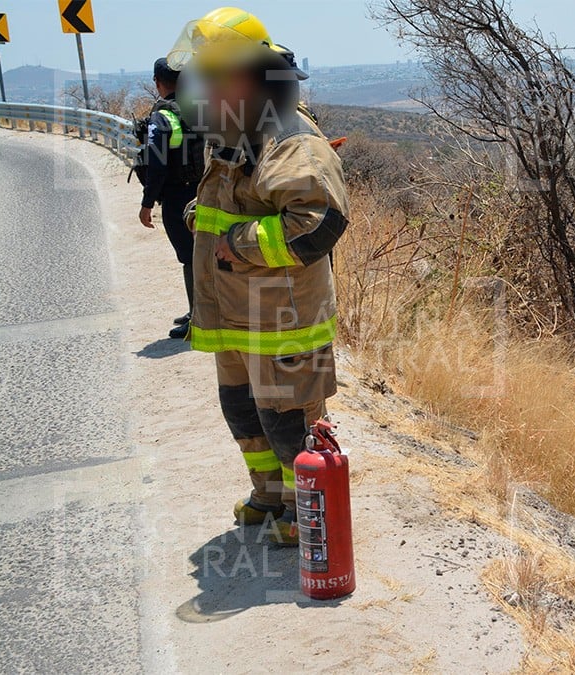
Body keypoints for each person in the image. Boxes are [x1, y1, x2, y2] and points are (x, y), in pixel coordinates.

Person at [168, 7, 350, 545]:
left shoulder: (289, 138)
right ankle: (270, 495)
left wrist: (235, 242)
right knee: (244, 413)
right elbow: (238, 202)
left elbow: (318, 223)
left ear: (250, 77)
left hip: (282, 321)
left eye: (215, 76)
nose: (205, 89)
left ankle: (305, 509)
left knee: (288, 420)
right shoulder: (235, 130)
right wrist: (202, 218)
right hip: (236, 317)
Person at [138, 58, 205, 340]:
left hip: (178, 197)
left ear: (157, 82)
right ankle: (198, 311)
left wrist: (147, 203)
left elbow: (157, 163)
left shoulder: (163, 116)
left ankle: (198, 319)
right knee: (203, 254)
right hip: (205, 191)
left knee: (190, 257)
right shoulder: (201, 107)